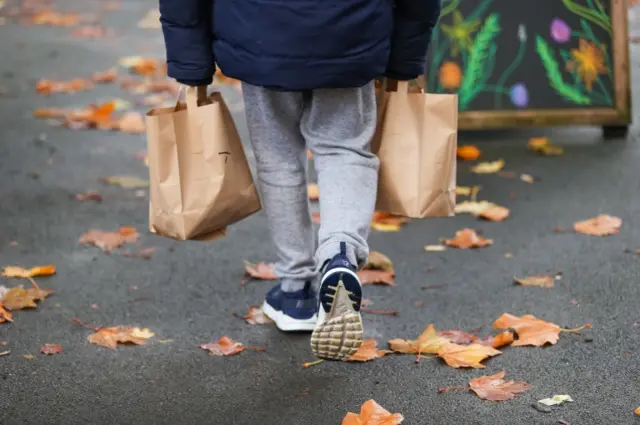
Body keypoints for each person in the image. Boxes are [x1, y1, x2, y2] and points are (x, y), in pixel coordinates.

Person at [159, 0, 441, 360]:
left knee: (278, 160)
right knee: (345, 149)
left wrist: (191, 65)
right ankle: (339, 254)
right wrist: (405, 58)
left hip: (260, 33)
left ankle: (294, 290)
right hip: (350, 34)